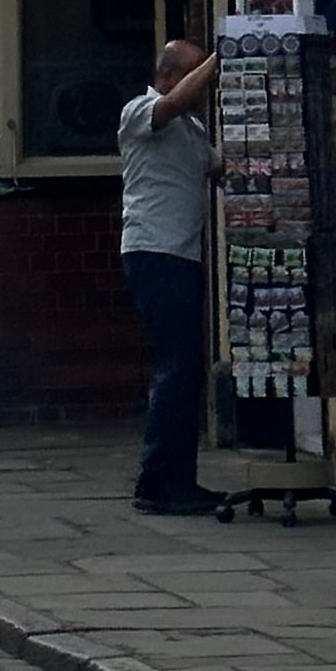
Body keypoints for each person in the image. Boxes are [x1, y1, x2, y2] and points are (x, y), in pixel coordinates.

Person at [118, 33, 220, 515]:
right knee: (177, 366)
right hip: (153, 251)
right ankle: (157, 480)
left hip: (183, 254)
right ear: (165, 74)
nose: (204, 84)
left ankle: (179, 476)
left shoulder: (194, 132)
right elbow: (176, 102)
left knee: (186, 367)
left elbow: (223, 168)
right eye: (194, 71)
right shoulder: (140, 111)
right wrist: (224, 57)